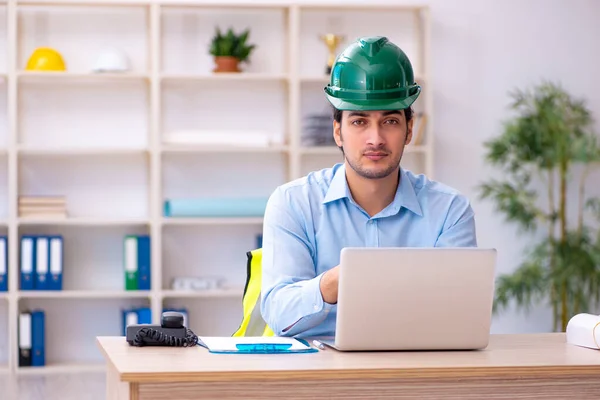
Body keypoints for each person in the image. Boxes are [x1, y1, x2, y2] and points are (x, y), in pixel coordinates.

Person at [260, 36, 477, 338]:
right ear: (338, 131)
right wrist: (337, 282)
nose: (375, 139)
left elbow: (461, 315)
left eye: (389, 121)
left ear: (409, 129)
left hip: (417, 369)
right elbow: (278, 315)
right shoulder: (293, 202)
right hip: (317, 372)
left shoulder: (450, 211)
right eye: (360, 122)